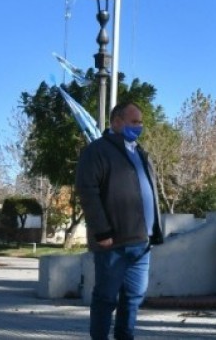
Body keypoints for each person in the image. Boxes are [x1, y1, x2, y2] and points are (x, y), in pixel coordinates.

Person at [75, 101, 163, 340]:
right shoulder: (97, 151)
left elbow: (149, 192)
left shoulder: (140, 153)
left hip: (141, 242)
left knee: (134, 297)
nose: (139, 126)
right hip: (112, 242)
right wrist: (102, 232)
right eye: (134, 122)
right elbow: (87, 191)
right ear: (116, 122)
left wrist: (155, 229)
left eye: (141, 122)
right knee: (106, 297)